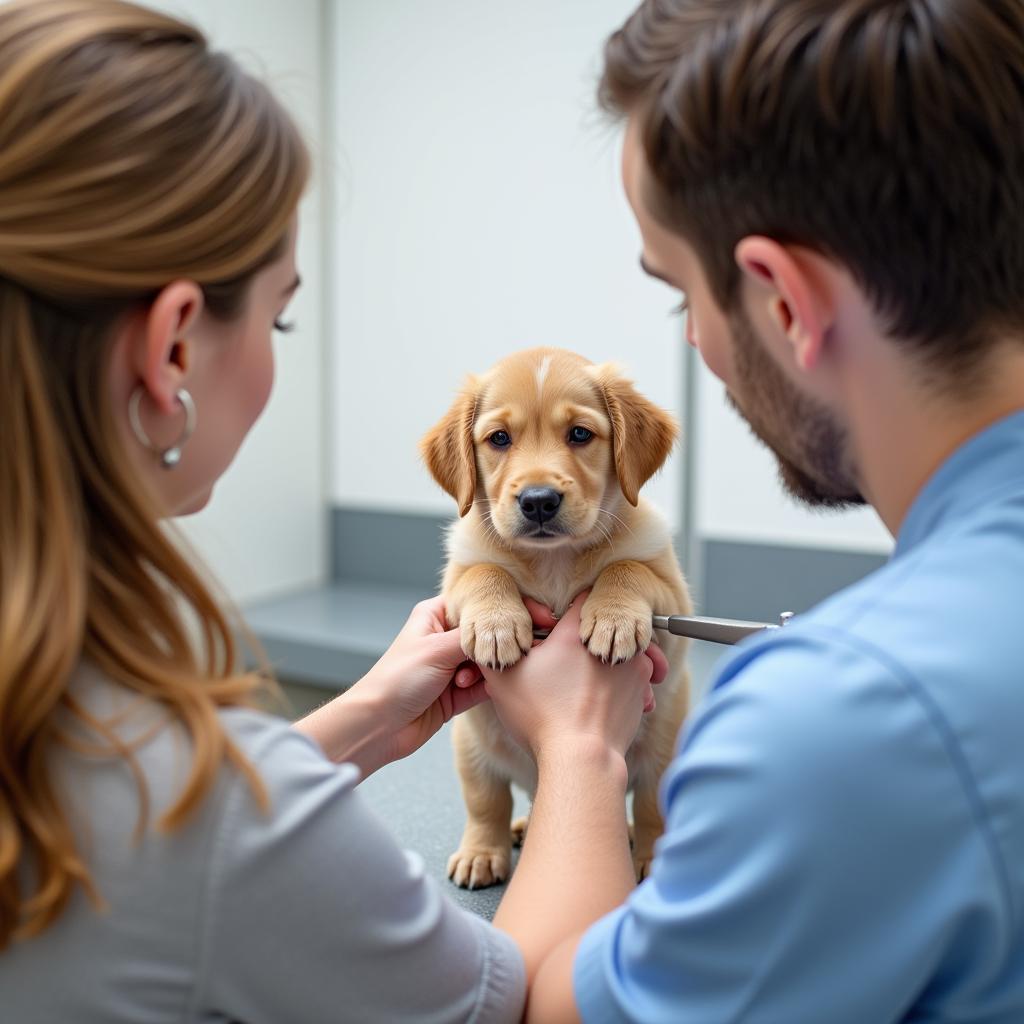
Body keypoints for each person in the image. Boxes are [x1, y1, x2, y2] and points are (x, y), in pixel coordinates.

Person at [0, 2, 666, 1021]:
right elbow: (528, 1008)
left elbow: (195, 823)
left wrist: (356, 722)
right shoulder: (199, 805)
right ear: (173, 348)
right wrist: (580, 750)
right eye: (281, 312)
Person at [483, 0, 1024, 1021]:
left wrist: (577, 748)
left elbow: (542, 1008)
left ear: (782, 302)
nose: (694, 338)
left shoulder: (832, 723)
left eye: (679, 289)